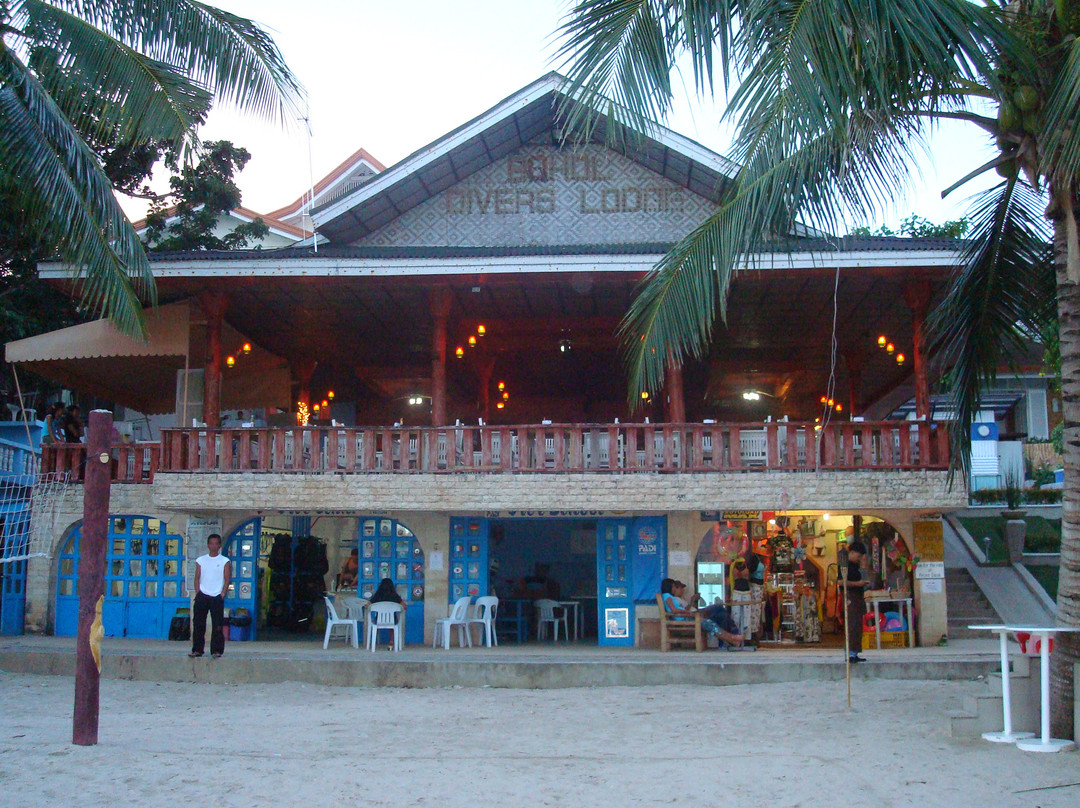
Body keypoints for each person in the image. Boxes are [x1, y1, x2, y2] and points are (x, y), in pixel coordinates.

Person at [660, 578, 744, 648]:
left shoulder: (668, 596)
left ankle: (733, 639)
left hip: (687, 617)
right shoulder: (667, 596)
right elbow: (674, 610)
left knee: (716, 619)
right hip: (685, 619)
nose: (674, 588)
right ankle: (732, 637)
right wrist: (687, 612)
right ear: (670, 586)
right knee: (710, 623)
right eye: (674, 586)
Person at [189, 533, 231, 659]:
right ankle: (197, 649)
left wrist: (222, 593)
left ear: (219, 545)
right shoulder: (201, 560)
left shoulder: (224, 561)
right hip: (202, 595)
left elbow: (227, 579)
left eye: (216, 543)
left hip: (217, 596)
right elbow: (196, 577)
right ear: (208, 545)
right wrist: (198, 592)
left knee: (217, 625)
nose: (214, 546)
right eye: (211, 543)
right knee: (198, 624)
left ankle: (217, 650)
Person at [843, 540, 872, 663]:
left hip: (857, 597)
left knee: (857, 625)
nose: (859, 559)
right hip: (850, 597)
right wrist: (857, 584)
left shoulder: (855, 566)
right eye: (858, 556)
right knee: (851, 625)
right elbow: (840, 582)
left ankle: (855, 652)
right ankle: (849, 653)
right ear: (852, 552)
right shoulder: (844, 565)